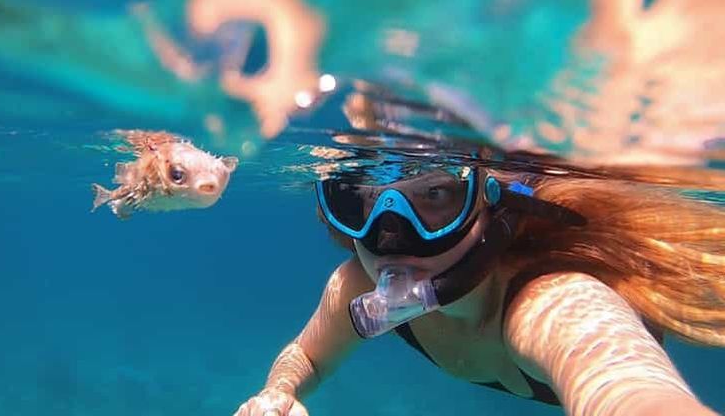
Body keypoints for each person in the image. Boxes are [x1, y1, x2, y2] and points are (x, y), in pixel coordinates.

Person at [234, 159, 724, 416]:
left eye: (435, 196)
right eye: (360, 201)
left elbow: (631, 393)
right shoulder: (355, 286)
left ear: (490, 206)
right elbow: (309, 356)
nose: (391, 236)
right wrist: (278, 393)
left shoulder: (553, 301)